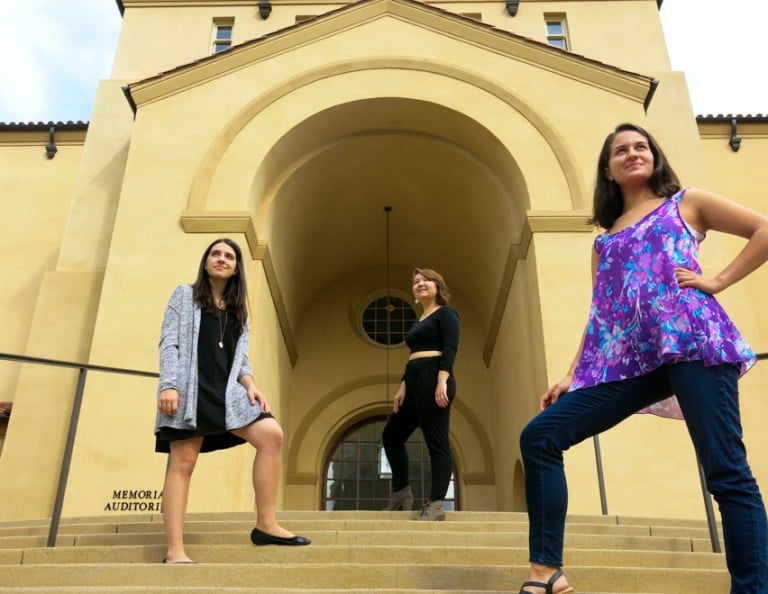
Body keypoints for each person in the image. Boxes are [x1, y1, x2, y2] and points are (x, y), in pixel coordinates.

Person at [518, 123, 768, 594]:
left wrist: (717, 281)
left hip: (695, 343)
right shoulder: (604, 241)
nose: (633, 154)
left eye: (641, 147)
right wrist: (574, 373)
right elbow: (601, 315)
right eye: (621, 150)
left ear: (654, 156)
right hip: (632, 362)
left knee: (726, 474)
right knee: (541, 436)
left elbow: (763, 229)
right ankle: (546, 569)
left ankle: (752, 589)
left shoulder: (687, 203)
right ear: (608, 170)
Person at [155, 238, 310, 564]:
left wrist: (251, 386)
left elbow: (240, 362)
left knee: (272, 435)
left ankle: (266, 525)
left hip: (226, 393)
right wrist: (168, 386)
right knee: (183, 463)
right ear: (206, 261)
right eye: (216, 254)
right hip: (189, 390)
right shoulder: (184, 295)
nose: (221, 259)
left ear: (237, 266)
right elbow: (169, 343)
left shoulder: (240, 313)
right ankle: (175, 551)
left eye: (228, 256)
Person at [381, 268, 460, 521]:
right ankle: (401, 492)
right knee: (391, 436)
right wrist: (403, 386)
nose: (420, 283)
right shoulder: (420, 320)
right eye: (416, 281)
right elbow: (413, 356)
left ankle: (436, 505)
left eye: (426, 280)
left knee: (437, 442)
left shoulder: (446, 314)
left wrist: (442, 381)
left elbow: (450, 348)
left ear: (438, 286)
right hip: (414, 381)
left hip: (434, 378)